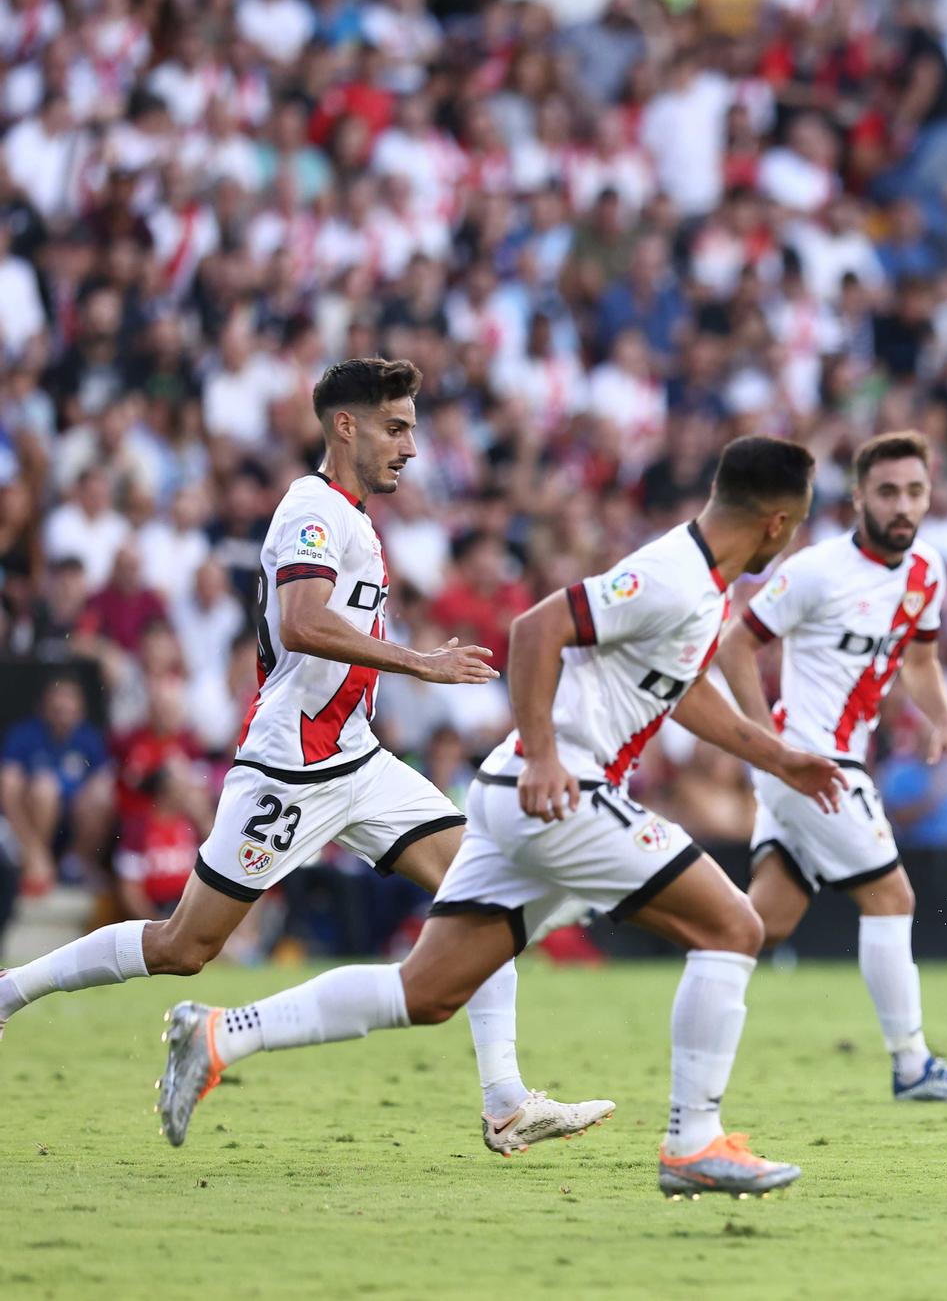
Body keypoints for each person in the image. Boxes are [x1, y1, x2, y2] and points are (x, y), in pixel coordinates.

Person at [156, 436, 845, 1201]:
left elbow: (682, 690)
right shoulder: (670, 577)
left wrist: (779, 759)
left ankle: (219, 1034)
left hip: (519, 796)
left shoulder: (700, 588)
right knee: (736, 928)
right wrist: (547, 755)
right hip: (559, 791)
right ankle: (693, 1143)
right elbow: (537, 630)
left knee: (426, 993)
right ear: (777, 525)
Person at [0, 358, 611, 1156]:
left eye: (415, 430)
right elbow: (302, 622)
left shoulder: (351, 514)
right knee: (185, 946)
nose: (412, 447)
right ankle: (11, 992)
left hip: (356, 759)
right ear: (344, 426)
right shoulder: (311, 510)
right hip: (290, 766)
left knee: (484, 891)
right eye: (397, 428)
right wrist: (421, 661)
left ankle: (505, 1103)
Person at [713, 431, 947, 1102]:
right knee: (891, 896)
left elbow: (921, 661)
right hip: (815, 763)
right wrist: (770, 748)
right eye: (888, 492)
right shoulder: (816, 570)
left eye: (915, 491)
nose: (903, 505)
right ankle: (912, 1065)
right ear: (858, 498)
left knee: (763, 922)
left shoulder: (927, 568)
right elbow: (736, 647)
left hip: (806, 765)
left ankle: (639, 919)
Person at [0, 676, 115, 895]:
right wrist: (33, 850)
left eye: (68, 708)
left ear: (80, 710)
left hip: (73, 821)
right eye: (57, 708)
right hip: (31, 824)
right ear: (44, 707)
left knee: (104, 792)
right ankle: (37, 862)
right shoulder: (23, 735)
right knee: (45, 788)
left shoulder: (88, 737)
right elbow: (8, 790)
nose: (62, 714)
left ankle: (76, 863)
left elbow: (104, 780)